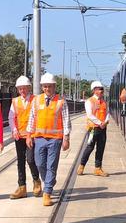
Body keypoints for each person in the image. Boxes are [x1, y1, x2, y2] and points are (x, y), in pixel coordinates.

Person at [26, 73, 71, 207]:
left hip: (55, 140)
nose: (47, 89)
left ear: (54, 86)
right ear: (42, 87)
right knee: (39, 164)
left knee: (51, 165)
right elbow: (32, 118)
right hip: (39, 138)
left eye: (50, 86)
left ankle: (47, 192)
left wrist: (66, 138)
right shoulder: (36, 100)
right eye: (45, 86)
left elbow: (66, 120)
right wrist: (28, 135)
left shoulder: (61, 101)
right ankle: (49, 181)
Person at [8, 76, 41, 199]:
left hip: (31, 135)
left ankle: (36, 181)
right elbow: (11, 117)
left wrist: (32, 134)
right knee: (20, 162)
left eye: (24, 88)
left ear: (29, 88)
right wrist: (14, 130)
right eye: (20, 88)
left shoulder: (35, 100)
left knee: (31, 160)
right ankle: (22, 187)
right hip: (19, 136)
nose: (22, 90)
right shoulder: (15, 101)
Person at [77, 81, 110, 177]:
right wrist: (100, 123)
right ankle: (81, 166)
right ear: (94, 90)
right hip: (93, 129)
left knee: (101, 148)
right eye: (100, 89)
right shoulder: (89, 101)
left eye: (102, 89)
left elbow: (107, 113)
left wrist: (105, 122)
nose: (101, 90)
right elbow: (90, 115)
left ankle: (98, 168)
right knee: (89, 147)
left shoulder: (104, 102)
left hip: (103, 129)